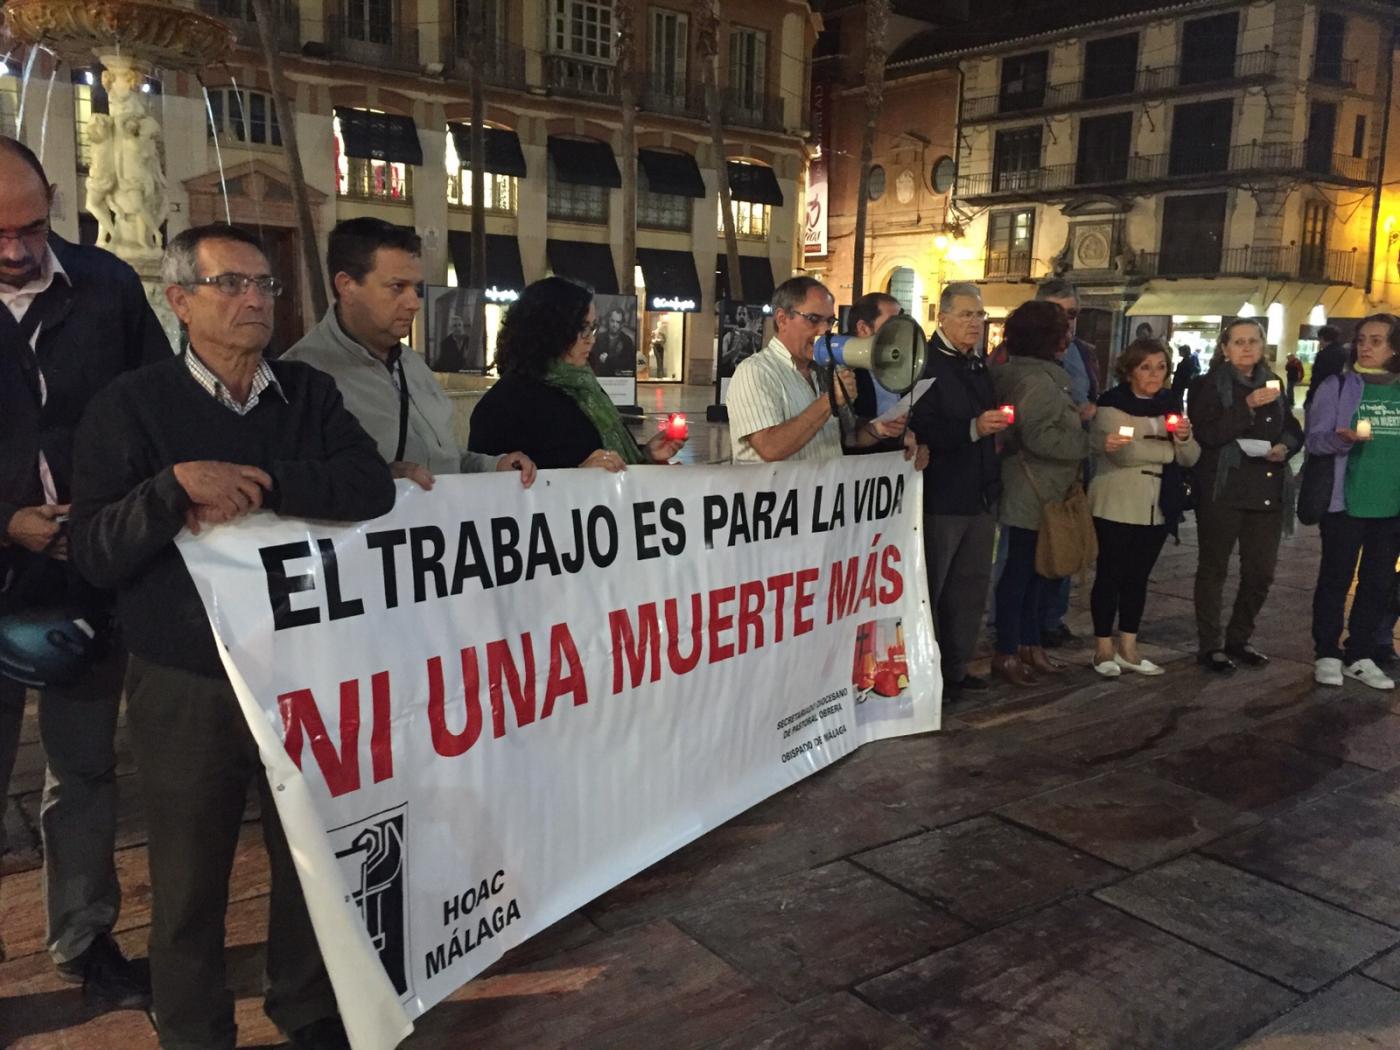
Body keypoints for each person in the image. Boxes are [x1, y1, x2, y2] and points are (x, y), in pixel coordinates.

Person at [69, 223, 396, 1050]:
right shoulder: (131, 405)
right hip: (190, 678)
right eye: (231, 285)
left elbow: (369, 486)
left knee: (307, 860)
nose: (256, 300)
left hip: (302, 671)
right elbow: (96, 550)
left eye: (265, 286)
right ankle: (193, 1030)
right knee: (188, 879)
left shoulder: (308, 395)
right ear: (178, 301)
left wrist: (268, 483)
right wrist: (172, 488)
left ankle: (306, 1006)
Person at [0, 136, 168, 1001]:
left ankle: (83, 937)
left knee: (87, 769)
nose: (15, 249)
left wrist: (112, 516)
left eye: (31, 225)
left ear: (56, 198)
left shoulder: (108, 288)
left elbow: (152, 411)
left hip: (86, 570)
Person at [284, 218, 534, 491]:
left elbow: (446, 460)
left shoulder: (413, 364)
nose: (414, 303)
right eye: (397, 287)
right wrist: (374, 477)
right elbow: (298, 482)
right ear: (347, 285)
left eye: (415, 288)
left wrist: (493, 465)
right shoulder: (300, 377)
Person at [468, 276, 685, 470]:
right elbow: (494, 492)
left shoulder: (585, 386)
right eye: (581, 328)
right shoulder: (505, 403)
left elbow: (600, 450)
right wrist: (577, 476)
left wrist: (646, 454)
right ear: (550, 331)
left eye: (592, 327)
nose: (591, 338)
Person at [910, 281, 1008, 700]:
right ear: (942, 317)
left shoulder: (977, 365)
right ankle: (928, 673)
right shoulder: (925, 365)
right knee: (934, 588)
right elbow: (920, 425)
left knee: (970, 586)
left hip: (980, 496)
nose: (975, 323)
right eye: (966, 315)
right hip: (943, 497)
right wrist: (972, 429)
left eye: (980, 315)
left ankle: (956, 667)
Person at [1190, 317, 1303, 674]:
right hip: (1223, 489)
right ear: (1224, 348)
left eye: (1253, 341)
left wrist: (1284, 447)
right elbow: (1208, 434)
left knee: (1260, 571)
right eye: (1238, 342)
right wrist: (1248, 406)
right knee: (1214, 569)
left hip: (1266, 489)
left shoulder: (1275, 381)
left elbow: (1292, 428)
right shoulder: (1206, 385)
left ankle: (1239, 637)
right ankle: (1210, 645)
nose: (1247, 347)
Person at [990, 301, 1090, 685]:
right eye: (1062, 332)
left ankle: (1028, 645)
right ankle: (1009, 650)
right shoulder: (1039, 381)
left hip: (1032, 485)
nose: (1068, 338)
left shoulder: (1018, 372)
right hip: (1033, 488)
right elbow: (1038, 436)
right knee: (1023, 571)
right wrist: (1086, 441)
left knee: (1033, 570)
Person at [1087, 339, 1201, 678]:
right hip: (1116, 502)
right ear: (1130, 370)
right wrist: (1163, 445)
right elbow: (1125, 454)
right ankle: (1103, 646)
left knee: (1138, 577)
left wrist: (1180, 439)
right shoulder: (1111, 404)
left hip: (1156, 506)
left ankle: (1130, 646)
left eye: (1161, 367)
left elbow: (1192, 457)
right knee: (1110, 575)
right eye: (1145, 367)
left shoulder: (1171, 405)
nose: (1154, 374)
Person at [1306, 313, 1400, 689]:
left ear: (1394, 347)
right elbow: (1314, 440)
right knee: (1335, 577)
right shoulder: (1339, 385)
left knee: (1377, 582)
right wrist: (1340, 439)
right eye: (1362, 339)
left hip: (1391, 503)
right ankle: (1326, 652)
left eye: (1376, 340)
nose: (1366, 346)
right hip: (1344, 501)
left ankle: (1359, 653)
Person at [725, 276, 906, 463]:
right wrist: (830, 401)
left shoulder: (825, 370)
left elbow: (849, 438)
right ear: (782, 319)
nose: (824, 330)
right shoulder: (756, 372)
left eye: (830, 321)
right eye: (813, 319)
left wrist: (878, 429)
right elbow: (770, 448)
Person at [1034, 278, 1098, 649]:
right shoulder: (1019, 355)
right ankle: (1020, 627)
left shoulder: (1082, 352)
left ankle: (1053, 618)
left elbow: (1091, 392)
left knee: (1066, 539)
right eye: (1057, 314)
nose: (1067, 322)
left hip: (1073, 463)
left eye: (1072, 314)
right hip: (1035, 467)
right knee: (1031, 549)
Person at [849, 291, 904, 420]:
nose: (899, 331)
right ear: (863, 328)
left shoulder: (896, 362)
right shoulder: (846, 369)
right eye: (891, 324)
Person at [1305, 324, 1347, 410]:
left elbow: (1317, 378)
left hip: (1322, 394)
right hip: (1340, 395)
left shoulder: (1323, 355)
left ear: (1322, 338)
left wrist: (1309, 398)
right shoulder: (1345, 353)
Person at [589, 306, 634, 377]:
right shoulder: (599, 337)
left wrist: (608, 359)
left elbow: (628, 364)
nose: (614, 325)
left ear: (622, 324)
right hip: (601, 377)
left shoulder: (627, 341)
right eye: (612, 321)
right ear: (608, 320)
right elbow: (593, 359)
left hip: (620, 380)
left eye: (618, 322)